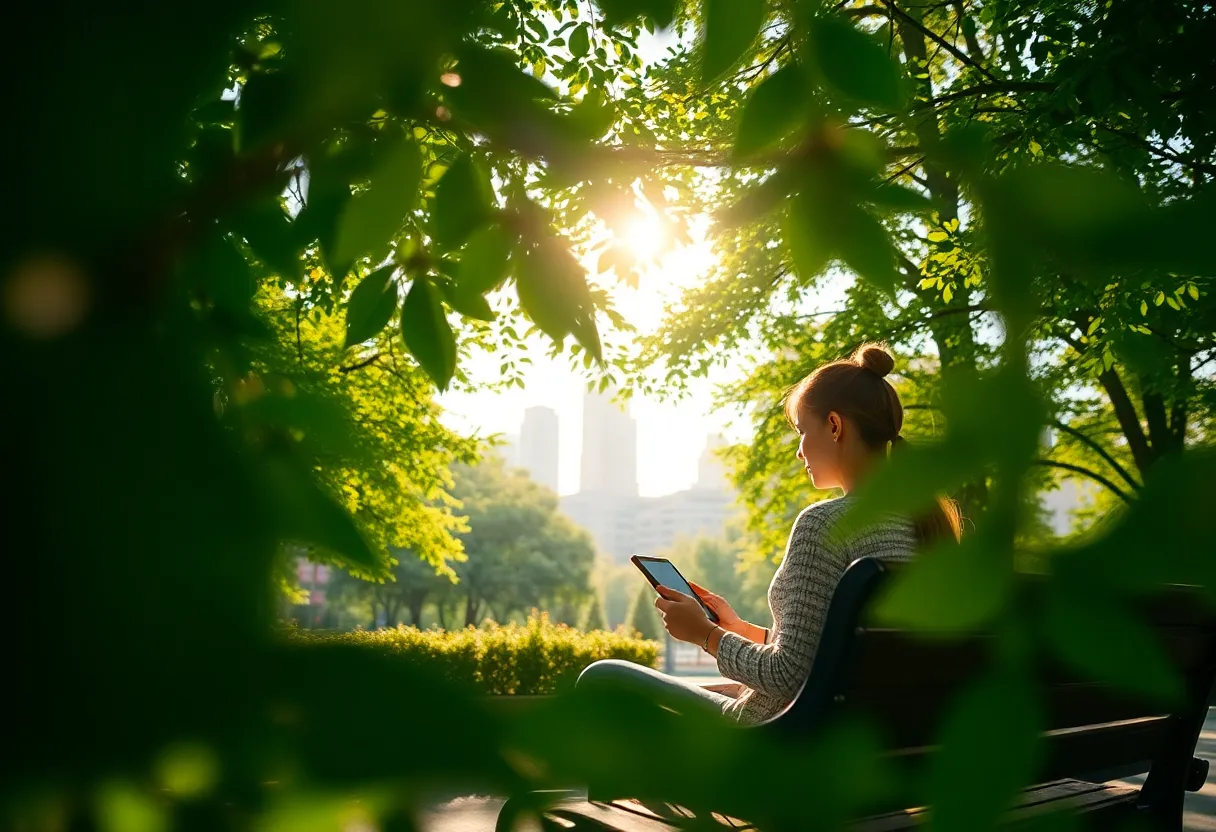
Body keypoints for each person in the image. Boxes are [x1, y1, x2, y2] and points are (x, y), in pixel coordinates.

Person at [577, 343, 962, 724]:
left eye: (801, 432)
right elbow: (824, 659)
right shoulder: (926, 529)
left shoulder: (826, 525)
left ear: (834, 425)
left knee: (604, 677)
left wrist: (704, 634)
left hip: (779, 744)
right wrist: (740, 630)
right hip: (872, 743)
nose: (799, 452)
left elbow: (786, 677)